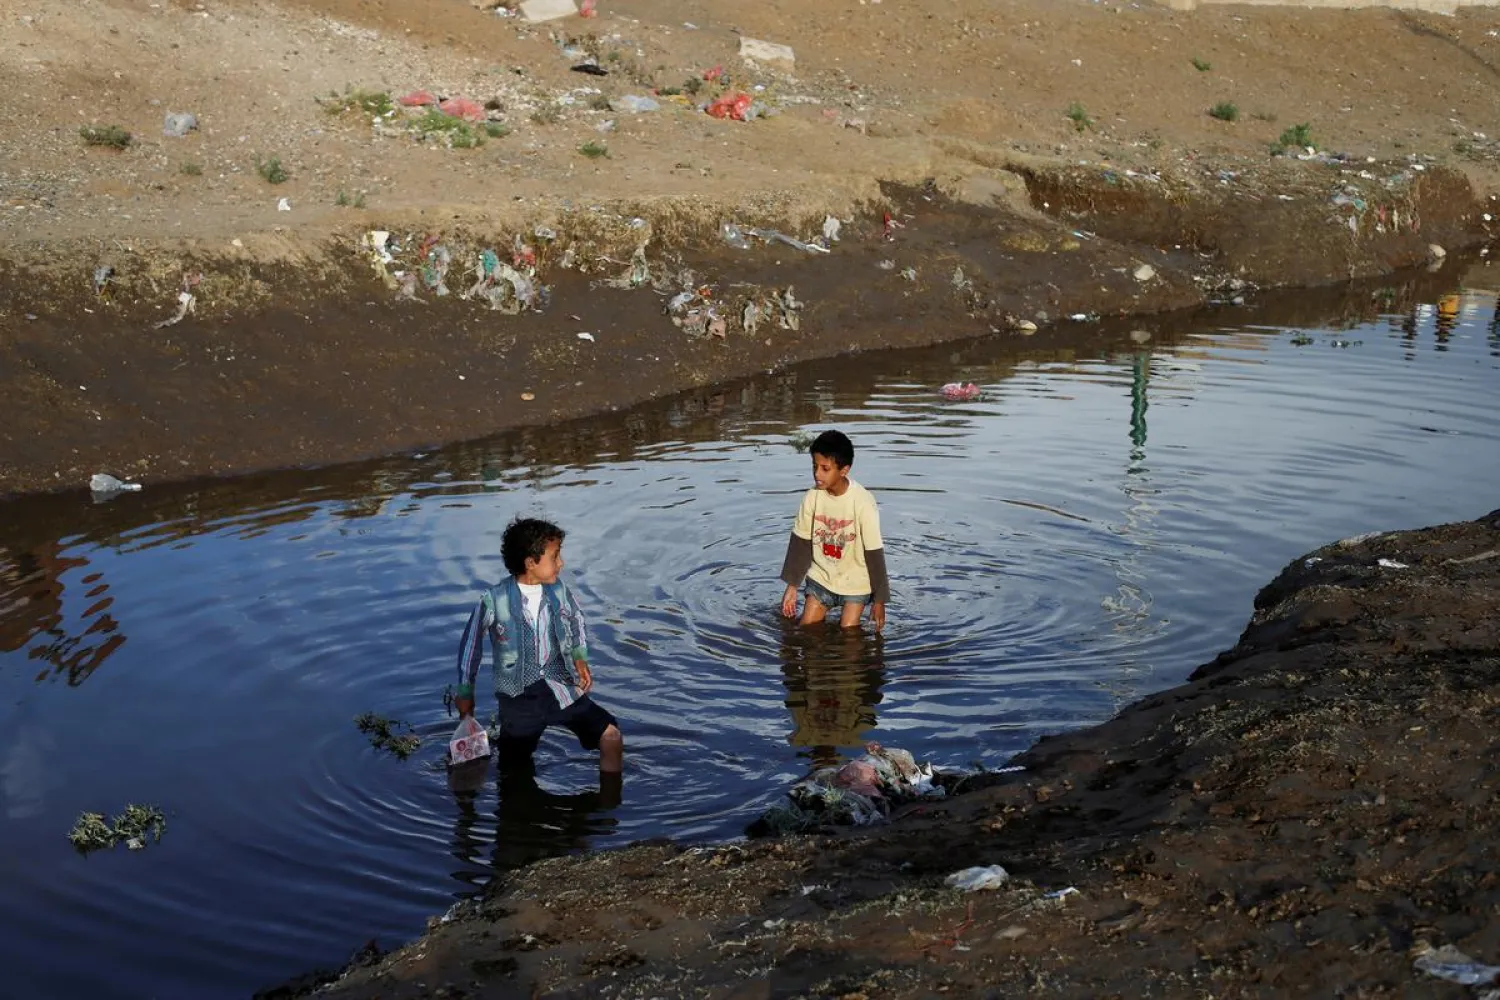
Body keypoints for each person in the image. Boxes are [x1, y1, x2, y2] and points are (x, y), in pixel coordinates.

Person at [452, 517, 623, 773]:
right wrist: (465, 694)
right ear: (531, 563)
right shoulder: (493, 601)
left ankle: (609, 805)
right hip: (518, 701)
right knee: (514, 769)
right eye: (555, 557)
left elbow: (576, 620)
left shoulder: (559, 592)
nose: (561, 563)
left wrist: (580, 659)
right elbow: (470, 650)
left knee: (611, 737)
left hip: (561, 690)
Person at [778, 430, 890, 631]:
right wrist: (792, 587)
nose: (816, 474)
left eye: (825, 468)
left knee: (849, 634)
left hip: (856, 582)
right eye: (814, 466)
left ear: (844, 470)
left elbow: (874, 552)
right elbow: (801, 543)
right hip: (821, 579)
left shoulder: (863, 502)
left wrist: (879, 601)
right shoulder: (812, 497)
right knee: (806, 630)